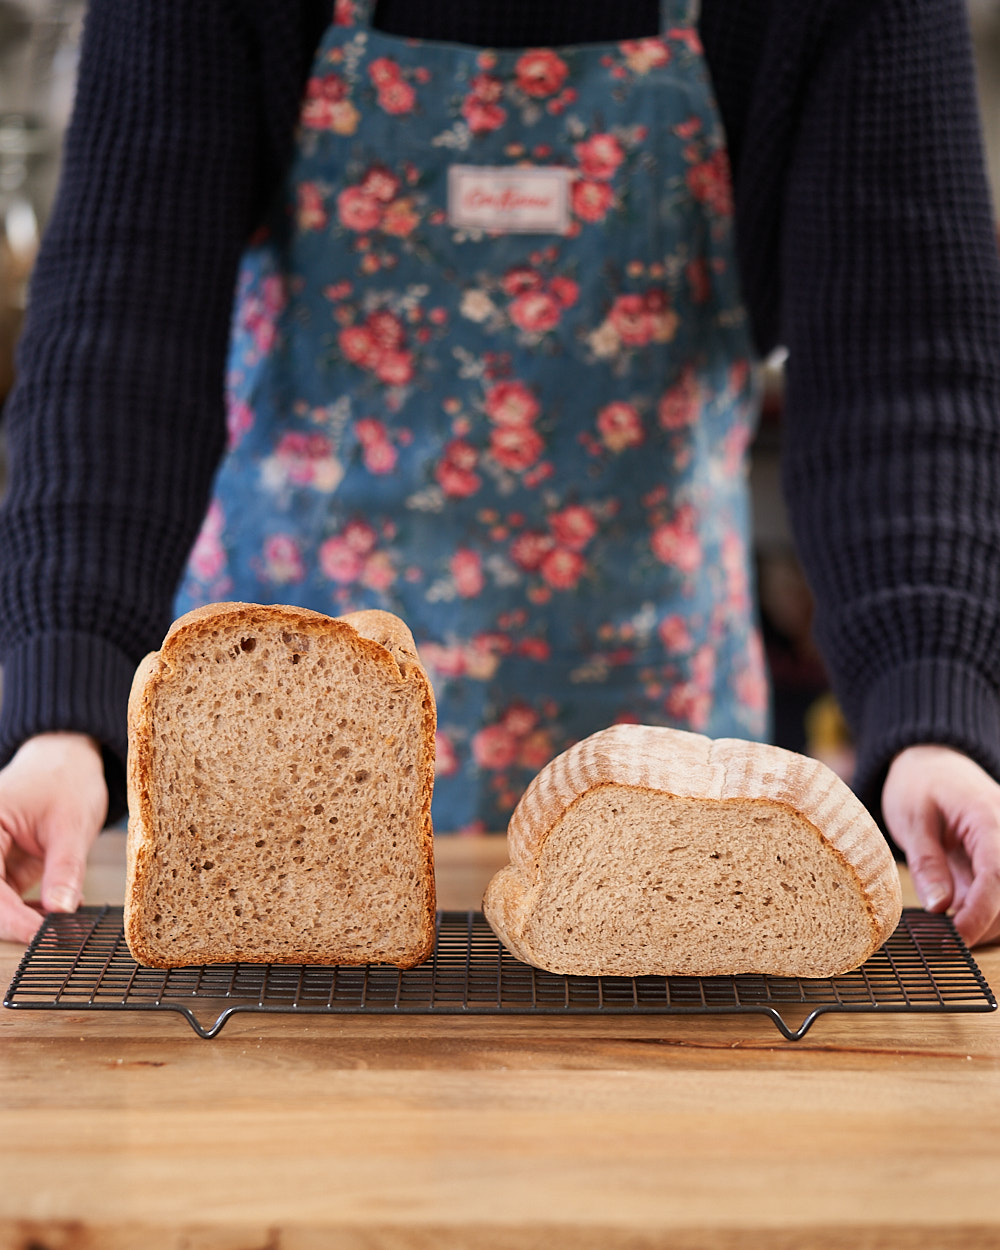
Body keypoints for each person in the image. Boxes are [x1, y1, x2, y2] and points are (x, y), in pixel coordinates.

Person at [1, 0, 999, 947]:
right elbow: (120, 326)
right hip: (275, 737)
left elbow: (900, 356)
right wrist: (61, 707)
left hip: (653, 736)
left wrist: (931, 711)